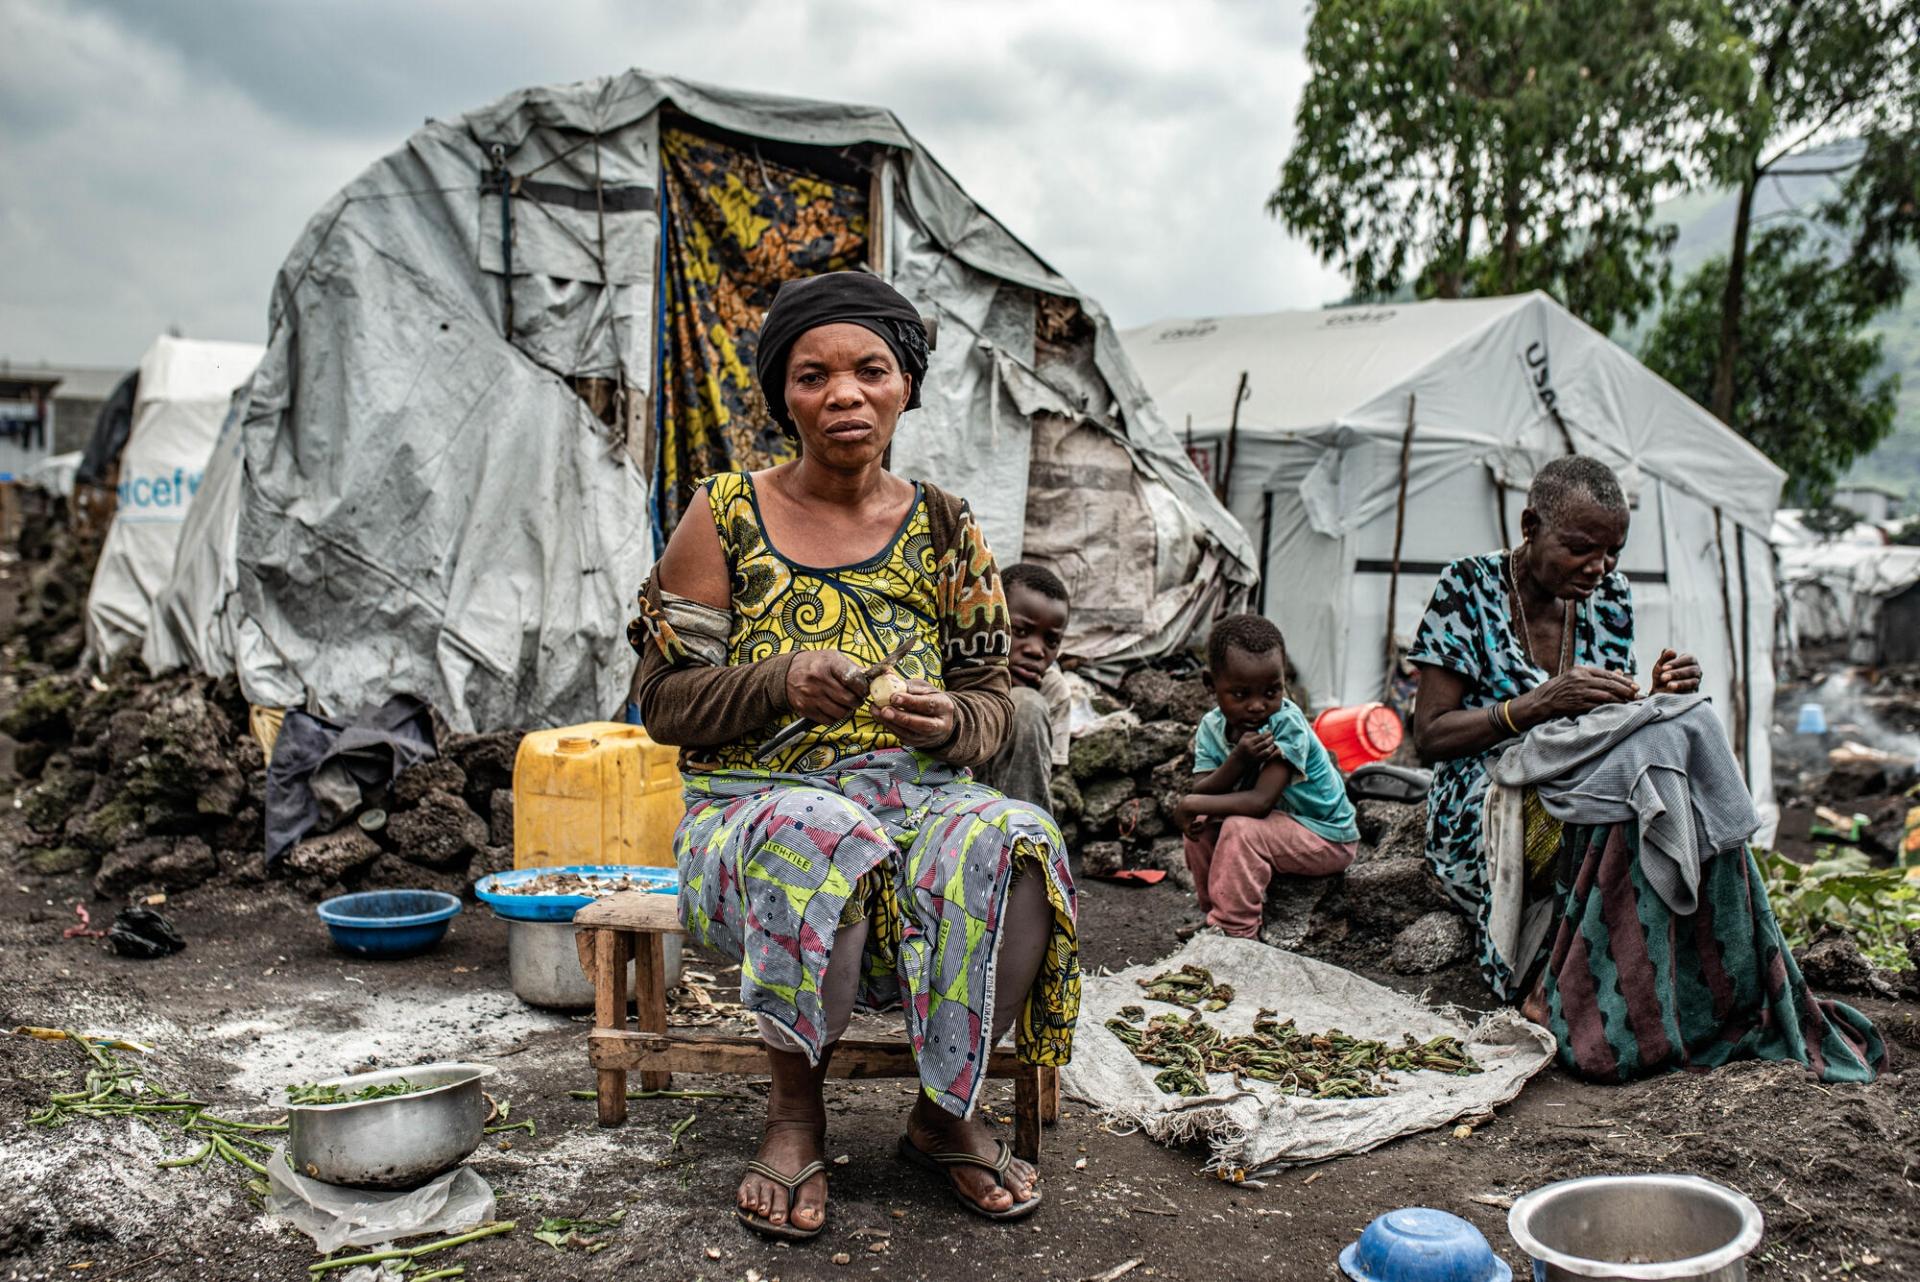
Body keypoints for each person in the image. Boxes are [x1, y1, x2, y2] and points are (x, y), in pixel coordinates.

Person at [631, 271, 1078, 1239]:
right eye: (813, 374)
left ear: (905, 386)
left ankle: (942, 1112)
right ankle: (795, 1114)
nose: (844, 393)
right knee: (816, 830)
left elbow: (995, 702)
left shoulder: (948, 528)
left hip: (913, 799)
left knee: (1016, 841)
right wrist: (778, 680)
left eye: (871, 369)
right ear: (782, 395)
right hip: (753, 805)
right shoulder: (724, 516)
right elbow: (659, 703)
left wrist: (948, 725)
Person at [1409, 455, 1881, 1083]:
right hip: (1487, 799)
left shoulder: (1610, 597)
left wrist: (1653, 694)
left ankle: (1704, 982)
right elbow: (1430, 738)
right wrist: (1533, 706)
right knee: (1637, 782)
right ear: (1530, 524)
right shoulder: (1468, 589)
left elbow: (1609, 714)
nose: (1598, 568)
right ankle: (1566, 995)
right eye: (1580, 548)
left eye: (1612, 552)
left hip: (1580, 774)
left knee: (1684, 731)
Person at [1173, 614, 1359, 938]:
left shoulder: (1286, 724)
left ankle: (1237, 932)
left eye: (1271, 691)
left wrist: (1193, 800)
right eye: (1241, 695)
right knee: (1200, 824)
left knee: (1240, 829)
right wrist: (1237, 760)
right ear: (1210, 685)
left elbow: (1260, 802)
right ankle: (1214, 915)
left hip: (1327, 836)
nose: (1258, 706)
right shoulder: (1211, 727)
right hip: (1281, 825)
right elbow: (1203, 790)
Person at [976, 562, 1073, 808]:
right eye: (1019, 631)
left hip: (1008, 807)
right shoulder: (961, 664)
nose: (1035, 650)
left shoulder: (1052, 690)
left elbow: (1042, 779)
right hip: (946, 798)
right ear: (991, 618)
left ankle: (1025, 840)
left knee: (1026, 705)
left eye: (1051, 641)